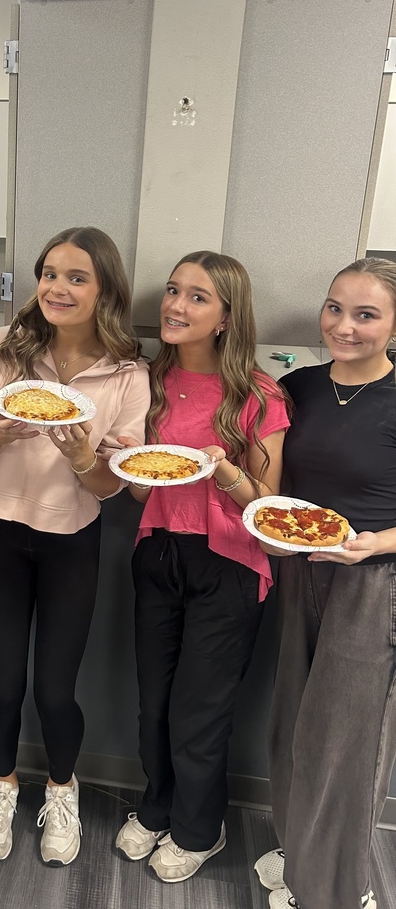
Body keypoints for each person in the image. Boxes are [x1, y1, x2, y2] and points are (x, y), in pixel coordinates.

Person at [0, 227, 150, 867]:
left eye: (77, 278)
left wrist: (86, 455)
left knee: (56, 691)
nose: (58, 289)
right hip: (1, 532)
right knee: (2, 684)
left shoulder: (126, 373)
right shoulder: (2, 349)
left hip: (73, 540)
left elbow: (109, 486)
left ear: (105, 291)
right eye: (49, 274)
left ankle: (62, 789)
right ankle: (3, 783)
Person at [114, 250, 290, 883]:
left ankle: (200, 828)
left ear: (225, 317)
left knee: (199, 708)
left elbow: (269, 512)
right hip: (159, 549)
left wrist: (230, 472)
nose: (175, 306)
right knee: (153, 700)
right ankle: (158, 805)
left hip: (232, 563)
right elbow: (141, 490)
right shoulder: (148, 381)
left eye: (196, 297)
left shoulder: (259, 394)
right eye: (172, 291)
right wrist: (116, 456)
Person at [254, 257, 396, 909]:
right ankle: (299, 854)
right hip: (298, 570)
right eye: (335, 307)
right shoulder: (299, 386)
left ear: (393, 324)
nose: (344, 325)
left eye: (366, 314)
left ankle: (338, 893)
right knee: (294, 723)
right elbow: (276, 484)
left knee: (345, 745)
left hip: (369, 585)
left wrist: (378, 544)